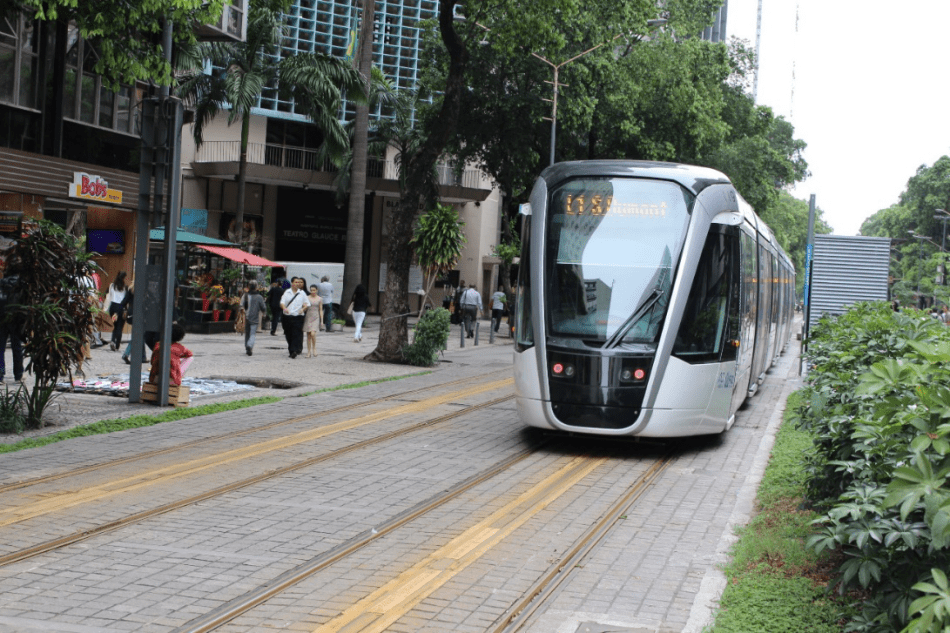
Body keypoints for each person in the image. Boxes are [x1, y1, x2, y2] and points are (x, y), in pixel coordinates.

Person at [0, 272, 23, 383]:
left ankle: (0, 376)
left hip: (1, 319)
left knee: (0, 348)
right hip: (15, 320)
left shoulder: (1, 284)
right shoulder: (19, 285)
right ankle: (18, 376)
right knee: (17, 347)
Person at [280, 276, 310, 358]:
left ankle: (293, 351)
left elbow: (307, 303)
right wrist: (284, 308)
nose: (297, 284)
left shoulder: (302, 293)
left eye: (298, 282)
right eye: (296, 282)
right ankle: (292, 348)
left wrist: (303, 309)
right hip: (287, 316)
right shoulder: (287, 292)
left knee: (296, 334)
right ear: (292, 283)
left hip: (298, 317)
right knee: (288, 334)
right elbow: (282, 302)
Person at [241, 280, 268, 356]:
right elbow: (263, 307)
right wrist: (264, 314)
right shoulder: (259, 297)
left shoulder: (245, 295)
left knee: (247, 334)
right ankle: (250, 345)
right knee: (252, 334)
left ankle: (247, 347)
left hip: (246, 318)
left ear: (248, 287)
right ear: (256, 287)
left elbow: (241, 305)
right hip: (255, 318)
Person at [106, 271, 129, 351]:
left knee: (115, 325)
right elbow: (126, 299)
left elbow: (107, 294)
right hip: (121, 307)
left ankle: (113, 340)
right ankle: (117, 345)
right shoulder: (125, 287)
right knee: (120, 326)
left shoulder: (112, 286)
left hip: (112, 307)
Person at [303, 284, 323, 357]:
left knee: (313, 333)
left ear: (317, 290)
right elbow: (304, 307)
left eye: (314, 290)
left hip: (316, 317)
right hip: (308, 317)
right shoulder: (307, 298)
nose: (312, 291)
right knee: (308, 335)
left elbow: (320, 310)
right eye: (311, 290)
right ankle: (308, 352)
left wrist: (322, 321)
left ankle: (314, 348)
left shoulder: (319, 299)